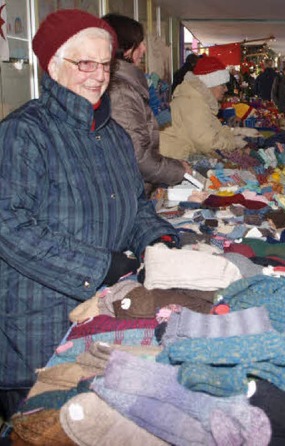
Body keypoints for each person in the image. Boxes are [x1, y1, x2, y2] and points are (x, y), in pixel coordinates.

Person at [0, 9, 178, 419]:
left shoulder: (113, 135)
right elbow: (9, 224)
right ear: (53, 65)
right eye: (84, 63)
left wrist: (159, 238)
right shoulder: (24, 132)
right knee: (43, 426)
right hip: (39, 324)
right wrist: (100, 266)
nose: (97, 75)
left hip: (100, 315)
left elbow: (134, 206)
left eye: (105, 64)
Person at [102, 13, 189, 197]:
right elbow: (137, 157)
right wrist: (179, 171)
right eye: (139, 43)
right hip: (128, 194)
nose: (144, 49)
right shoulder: (121, 92)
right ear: (125, 49)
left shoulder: (125, 85)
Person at [160, 55, 256, 159]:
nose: (226, 89)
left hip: (177, 156)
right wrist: (234, 143)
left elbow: (216, 129)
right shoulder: (194, 103)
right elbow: (207, 142)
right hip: (171, 160)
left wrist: (238, 132)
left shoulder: (200, 101)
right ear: (210, 85)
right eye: (222, 85)